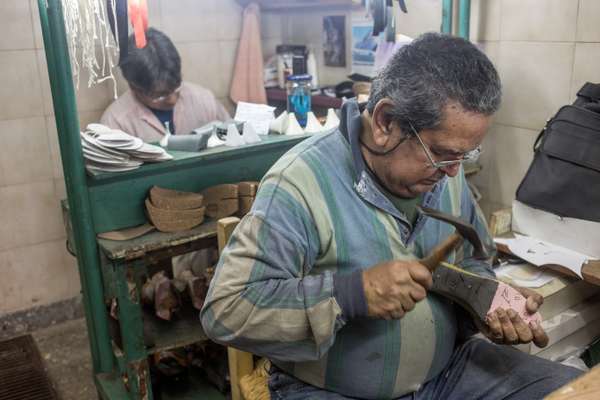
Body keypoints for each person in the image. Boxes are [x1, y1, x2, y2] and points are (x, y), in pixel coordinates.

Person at [200, 33, 581, 399]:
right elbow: (226, 310)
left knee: (578, 392)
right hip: (331, 390)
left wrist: (484, 301)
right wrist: (352, 295)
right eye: (442, 153)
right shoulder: (299, 185)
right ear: (384, 122)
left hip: (448, 372)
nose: (452, 170)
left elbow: (474, 258)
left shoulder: (446, 171)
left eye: (464, 156)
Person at [101, 28, 230, 142]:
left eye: (177, 86)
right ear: (134, 87)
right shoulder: (116, 124)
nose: (173, 99)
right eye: (160, 95)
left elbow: (234, 141)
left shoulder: (204, 101)